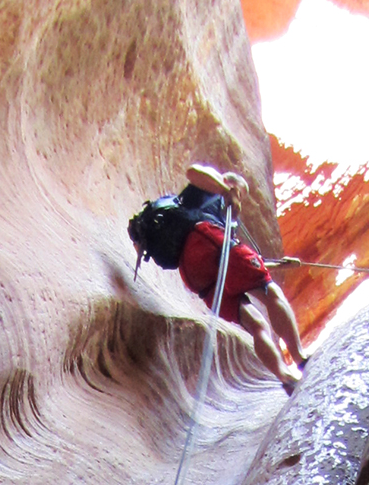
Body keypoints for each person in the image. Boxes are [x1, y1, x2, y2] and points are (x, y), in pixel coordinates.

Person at [130, 164, 310, 392]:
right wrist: (227, 190)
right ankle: (301, 358)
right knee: (271, 293)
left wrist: (278, 264)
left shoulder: (193, 208)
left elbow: (234, 265)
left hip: (196, 276)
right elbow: (193, 171)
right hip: (206, 241)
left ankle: (285, 378)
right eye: (241, 190)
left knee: (256, 324)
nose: (240, 198)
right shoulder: (211, 191)